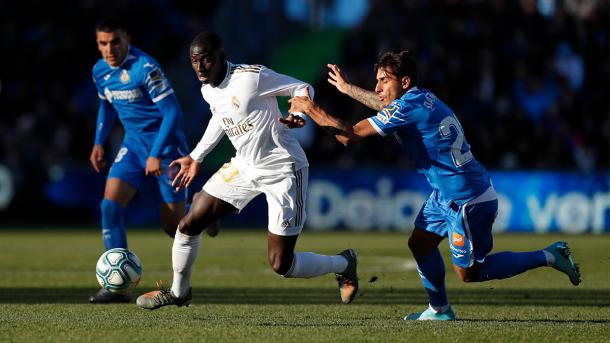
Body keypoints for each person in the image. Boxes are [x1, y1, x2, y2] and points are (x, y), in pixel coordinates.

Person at [287, 51, 581, 321]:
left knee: (469, 273)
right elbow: (383, 103)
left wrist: (311, 109)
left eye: (383, 80)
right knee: (420, 243)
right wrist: (348, 89)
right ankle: (439, 309)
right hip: (446, 195)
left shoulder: (407, 109)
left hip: (468, 200)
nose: (377, 87)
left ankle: (550, 255)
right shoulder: (419, 99)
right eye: (376, 80)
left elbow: (349, 136)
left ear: (404, 81)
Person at [135, 31, 358, 310]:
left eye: (206, 59)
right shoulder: (207, 88)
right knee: (189, 224)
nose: (200, 67)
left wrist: (298, 115)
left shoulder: (252, 77)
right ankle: (179, 292)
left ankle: (344, 263)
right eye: (194, 61)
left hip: (283, 168)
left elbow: (303, 88)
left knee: (281, 264)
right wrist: (196, 156)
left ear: (221, 55)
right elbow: (220, 117)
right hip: (244, 165)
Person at [88, 18, 192, 303]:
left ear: (127, 38)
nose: (109, 49)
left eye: (115, 42)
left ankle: (203, 212)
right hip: (132, 146)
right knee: (109, 207)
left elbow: (172, 114)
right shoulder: (100, 70)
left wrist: (156, 153)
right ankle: (117, 288)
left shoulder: (145, 68)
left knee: (174, 227)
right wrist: (99, 142)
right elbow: (106, 106)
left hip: (167, 147)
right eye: (103, 43)